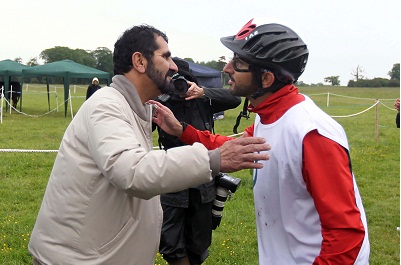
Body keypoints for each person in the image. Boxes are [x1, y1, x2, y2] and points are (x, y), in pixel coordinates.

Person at [28, 24, 271, 265]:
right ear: (140, 62)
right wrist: (212, 160)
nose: (174, 66)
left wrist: (182, 130)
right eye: (165, 57)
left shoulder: (138, 107)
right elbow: (132, 171)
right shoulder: (106, 105)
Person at [151, 18, 370, 264]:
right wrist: (181, 130)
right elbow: (232, 147)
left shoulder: (311, 133)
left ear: (265, 79)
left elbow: (346, 234)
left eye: (239, 63)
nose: (227, 69)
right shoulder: (267, 117)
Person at [155, 57, 241, 265]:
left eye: (183, 81)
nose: (179, 86)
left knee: (198, 240)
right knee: (171, 241)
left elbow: (235, 98)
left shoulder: (202, 99)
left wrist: (202, 92)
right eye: (174, 81)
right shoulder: (162, 102)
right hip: (172, 175)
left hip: (203, 176)